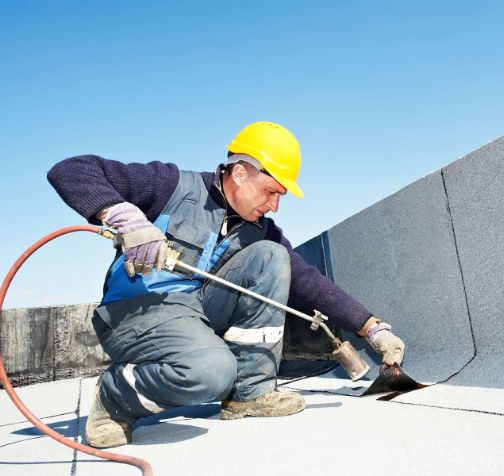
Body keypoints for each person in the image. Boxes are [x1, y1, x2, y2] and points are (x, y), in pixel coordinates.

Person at [48, 121, 405, 449]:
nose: (275, 206)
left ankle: (250, 393)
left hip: (194, 312)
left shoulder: (259, 229)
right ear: (239, 173)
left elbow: (309, 283)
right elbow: (71, 170)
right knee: (211, 373)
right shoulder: (171, 185)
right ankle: (114, 396)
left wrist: (372, 329)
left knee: (272, 257)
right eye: (271, 192)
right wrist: (124, 217)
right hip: (138, 311)